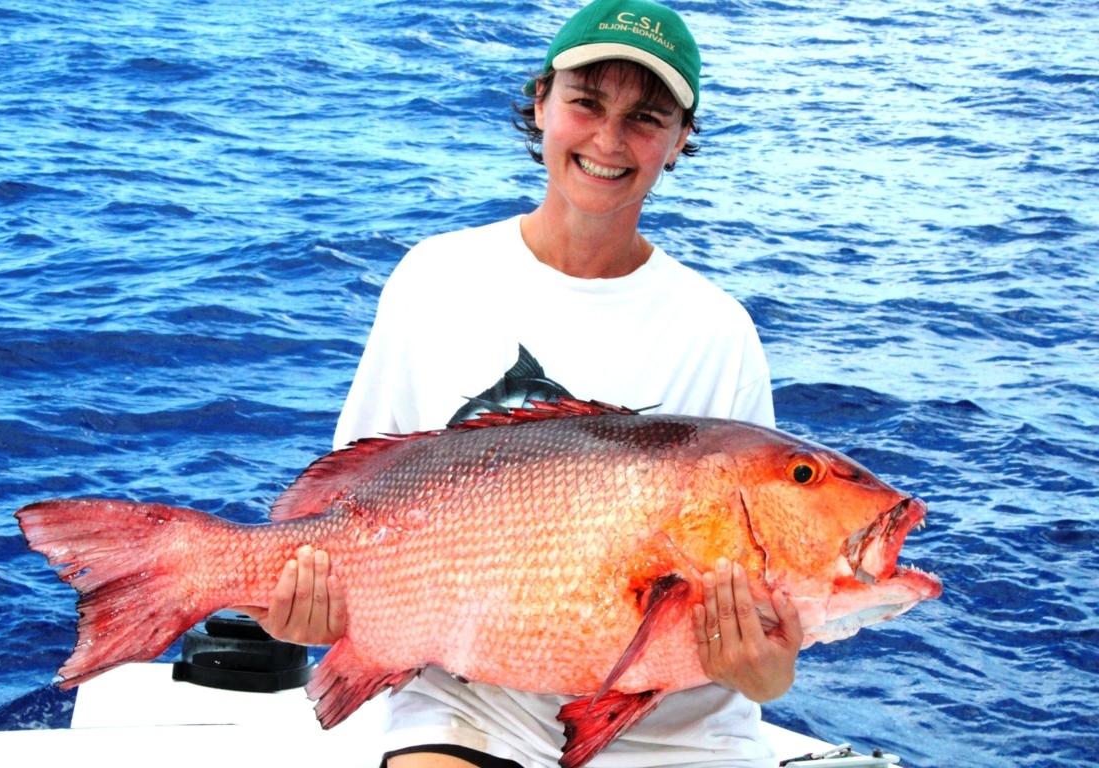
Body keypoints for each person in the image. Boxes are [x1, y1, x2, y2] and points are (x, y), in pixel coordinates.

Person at [240, 1, 804, 765]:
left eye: (645, 117)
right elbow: (346, 509)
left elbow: (767, 669)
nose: (608, 138)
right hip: (465, 699)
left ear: (679, 142)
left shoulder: (718, 331)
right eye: (586, 102)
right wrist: (311, 605)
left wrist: (764, 669)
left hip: (673, 729)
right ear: (541, 104)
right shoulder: (435, 278)